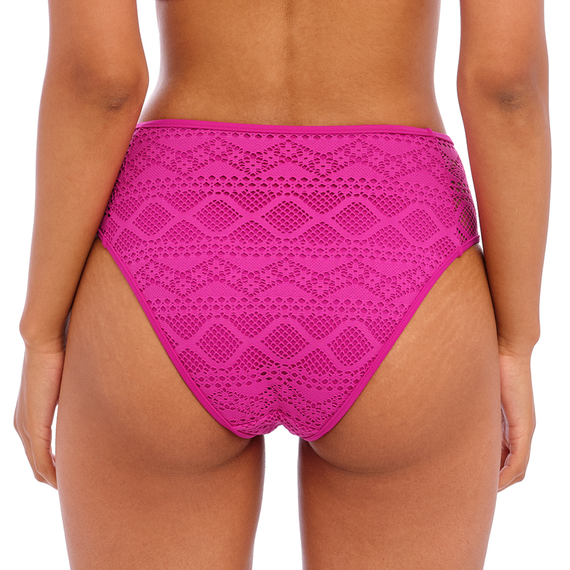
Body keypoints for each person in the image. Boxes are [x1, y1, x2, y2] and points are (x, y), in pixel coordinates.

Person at [13, 0, 550, 568]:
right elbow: (506, 84)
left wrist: (42, 332)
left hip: (178, 236)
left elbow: (100, 80)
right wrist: (515, 341)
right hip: (393, 239)